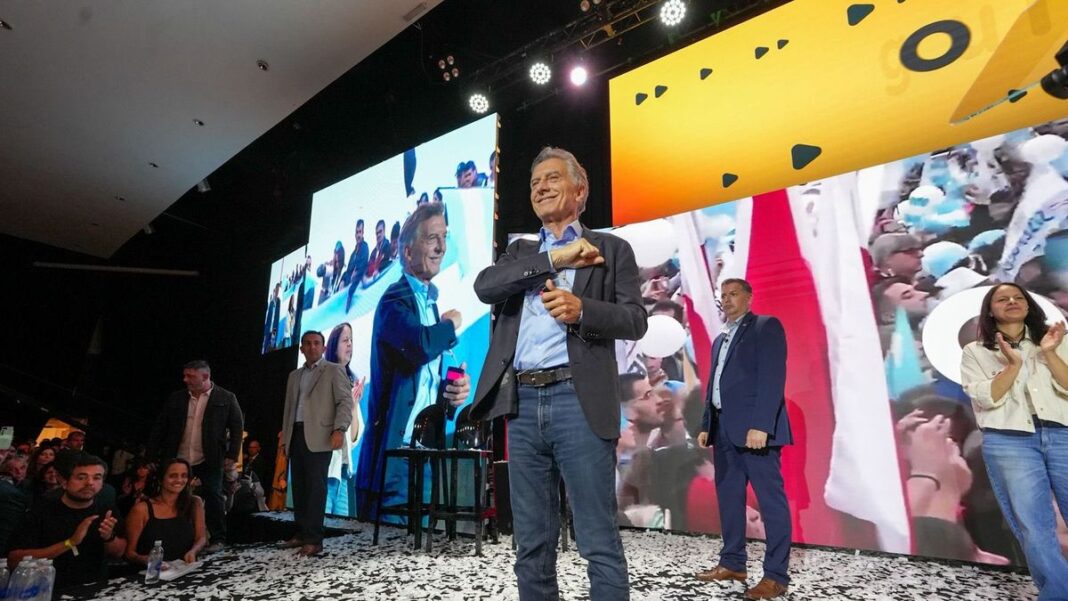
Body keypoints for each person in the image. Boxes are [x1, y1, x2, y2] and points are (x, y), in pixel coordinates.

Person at [469, 147, 647, 601]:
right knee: (530, 543)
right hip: (522, 405)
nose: (541, 188)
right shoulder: (520, 252)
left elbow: (635, 320)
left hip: (578, 400)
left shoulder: (612, 249)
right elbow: (485, 287)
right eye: (534, 183)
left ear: (580, 190)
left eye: (551, 178)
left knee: (597, 540)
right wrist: (557, 259)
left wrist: (582, 310)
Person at [355, 203, 470, 520]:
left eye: (444, 237)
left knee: (418, 550)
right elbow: (419, 347)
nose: (441, 247)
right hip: (395, 463)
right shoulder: (394, 300)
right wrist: (450, 325)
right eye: (432, 238)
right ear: (407, 252)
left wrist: (452, 394)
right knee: (388, 548)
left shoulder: (430, 306)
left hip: (425, 459)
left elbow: (422, 383)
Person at [960, 283, 1068, 601]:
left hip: (1062, 432)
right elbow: (986, 397)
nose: (1012, 301)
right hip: (1010, 440)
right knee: (1034, 524)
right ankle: (1058, 593)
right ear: (990, 311)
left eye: (1019, 297)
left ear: (1029, 305)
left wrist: (1049, 353)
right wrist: (1013, 366)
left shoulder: (1057, 341)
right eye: (1002, 299)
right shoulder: (975, 351)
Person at [696, 278, 792, 600]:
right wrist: (707, 423)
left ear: (749, 298)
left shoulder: (765, 327)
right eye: (723, 295)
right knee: (729, 499)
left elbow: (772, 378)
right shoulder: (720, 339)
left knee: (770, 502)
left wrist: (762, 425)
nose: (727, 300)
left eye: (734, 294)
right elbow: (714, 386)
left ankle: (776, 576)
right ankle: (733, 563)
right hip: (723, 430)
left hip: (754, 432)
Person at [148, 360, 244, 552]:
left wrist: (232, 455)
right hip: (178, 456)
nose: (185, 380)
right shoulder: (176, 398)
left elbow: (237, 427)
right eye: (185, 375)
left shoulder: (226, 397)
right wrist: (151, 454)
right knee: (172, 494)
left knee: (214, 495)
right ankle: (172, 536)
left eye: (190, 376)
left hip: (210, 457)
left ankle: (218, 538)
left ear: (205, 377)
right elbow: (160, 426)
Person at [280, 330, 356, 556]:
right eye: (307, 343)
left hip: (321, 436)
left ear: (323, 348)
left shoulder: (334, 370)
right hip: (296, 434)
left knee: (315, 489)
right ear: (301, 348)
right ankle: (302, 533)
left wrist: (339, 429)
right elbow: (288, 410)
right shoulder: (294, 375)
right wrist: (285, 438)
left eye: (316, 343)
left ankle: (314, 539)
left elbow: (345, 402)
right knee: (300, 487)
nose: (312, 347)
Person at [7, 454, 124, 590]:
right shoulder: (40, 511)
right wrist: (69, 543)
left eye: (97, 478)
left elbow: (119, 552)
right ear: (63, 481)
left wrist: (109, 537)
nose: (90, 483)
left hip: (96, 588)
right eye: (81, 477)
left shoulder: (107, 510)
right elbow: (14, 560)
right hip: (48, 589)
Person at [124, 458, 206, 567]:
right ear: (161, 479)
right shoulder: (142, 509)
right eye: (173, 476)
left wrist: (193, 551)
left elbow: (201, 538)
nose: (179, 480)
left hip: (186, 568)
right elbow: (129, 553)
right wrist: (147, 560)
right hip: (152, 572)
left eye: (184, 476)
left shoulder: (195, 503)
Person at [324, 322, 366, 516]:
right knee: (321, 525)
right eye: (345, 340)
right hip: (324, 469)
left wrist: (354, 406)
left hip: (341, 471)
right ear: (334, 346)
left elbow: (354, 438)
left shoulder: (351, 382)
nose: (350, 344)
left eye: (351, 340)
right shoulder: (323, 377)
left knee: (340, 528)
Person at [343, 219, 370, 312]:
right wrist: (343, 280)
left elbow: (363, 266)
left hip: (356, 288)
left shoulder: (365, 248)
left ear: (363, 233)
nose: (358, 235)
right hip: (347, 286)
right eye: (357, 232)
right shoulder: (353, 254)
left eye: (360, 232)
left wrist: (356, 272)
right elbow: (348, 271)